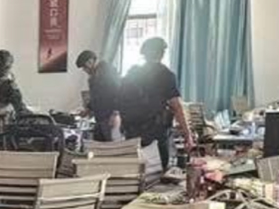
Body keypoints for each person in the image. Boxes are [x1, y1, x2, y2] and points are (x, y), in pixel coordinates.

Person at [121, 37, 193, 169]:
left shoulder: (132, 74)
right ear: (162, 53)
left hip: (132, 132)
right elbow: (176, 106)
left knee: (134, 169)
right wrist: (187, 134)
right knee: (158, 170)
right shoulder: (166, 75)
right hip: (156, 133)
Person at [75, 49, 122, 141]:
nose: (84, 70)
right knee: (99, 145)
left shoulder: (108, 72)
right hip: (100, 117)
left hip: (109, 117)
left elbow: (118, 93)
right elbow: (97, 97)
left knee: (111, 146)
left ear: (90, 62)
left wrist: (115, 114)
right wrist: (88, 109)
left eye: (85, 67)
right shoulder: (94, 76)